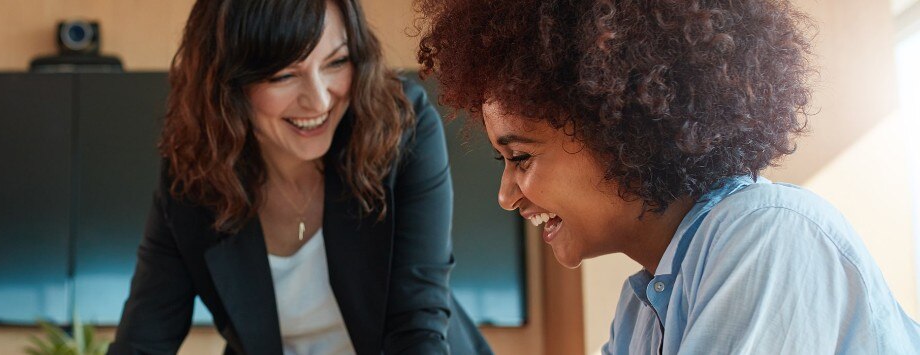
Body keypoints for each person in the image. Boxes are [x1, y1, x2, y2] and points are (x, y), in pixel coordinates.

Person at [414, 0, 920, 353]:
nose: (506, 197)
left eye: (521, 158)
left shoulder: (767, 235)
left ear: (619, 131)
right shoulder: (641, 311)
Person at [108, 0, 494, 354]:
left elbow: (416, 327)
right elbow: (143, 340)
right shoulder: (194, 175)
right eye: (284, 75)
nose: (320, 100)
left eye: (336, 62)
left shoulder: (402, 127)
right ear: (226, 86)